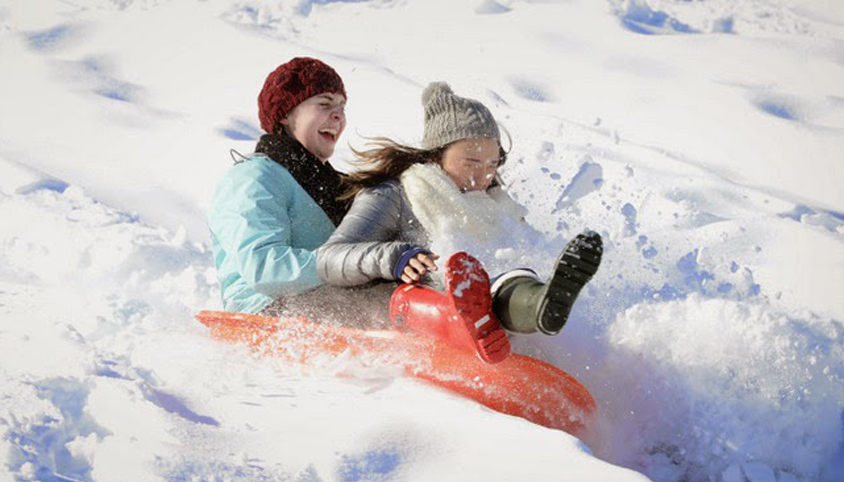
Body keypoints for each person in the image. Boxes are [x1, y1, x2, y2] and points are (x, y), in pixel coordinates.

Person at [317, 82, 603, 364]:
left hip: (490, 309)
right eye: (471, 163)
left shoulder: (497, 206)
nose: (483, 177)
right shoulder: (394, 194)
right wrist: (394, 256)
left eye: (491, 165)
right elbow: (329, 258)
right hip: (410, 307)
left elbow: (527, 246)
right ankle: (465, 322)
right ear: (436, 154)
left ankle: (539, 306)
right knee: (442, 290)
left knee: (508, 280)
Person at [209, 57, 350, 315]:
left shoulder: (333, 184)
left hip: (329, 305)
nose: (338, 115)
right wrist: (352, 264)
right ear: (286, 114)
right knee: (391, 303)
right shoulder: (254, 176)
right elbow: (263, 268)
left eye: (342, 106)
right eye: (324, 104)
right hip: (266, 313)